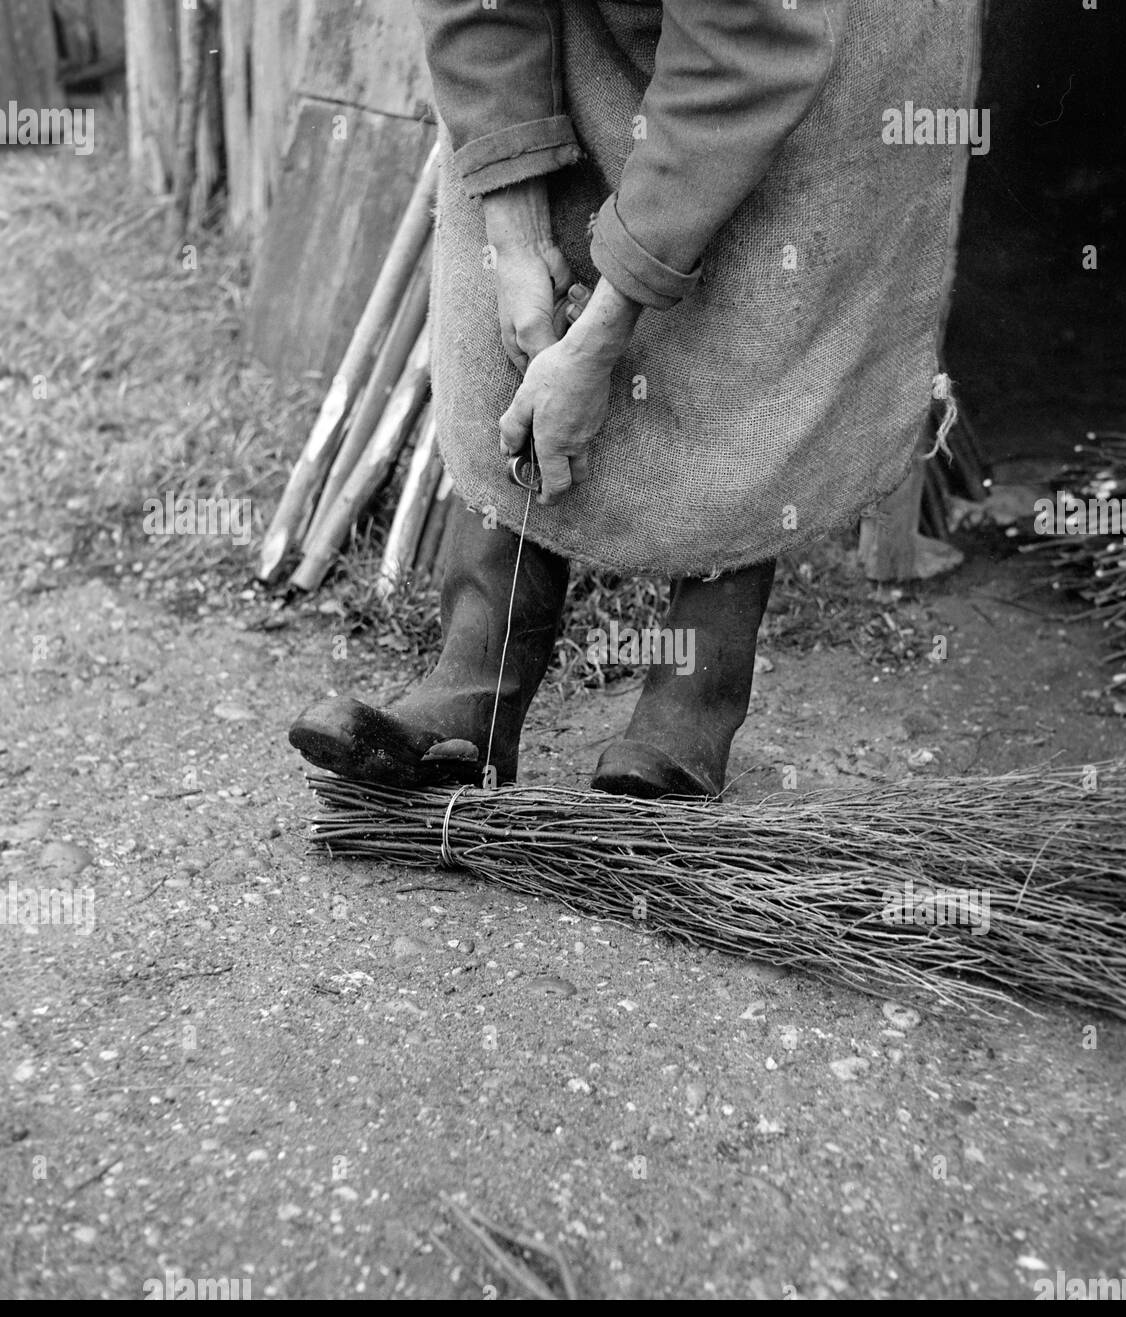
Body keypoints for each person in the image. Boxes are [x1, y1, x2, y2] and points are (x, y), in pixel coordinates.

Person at [289, 0, 981, 798]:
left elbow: (746, 49)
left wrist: (599, 336)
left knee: (753, 303)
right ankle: (473, 681)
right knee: (503, 306)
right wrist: (516, 239)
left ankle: (691, 703)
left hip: (798, 42)